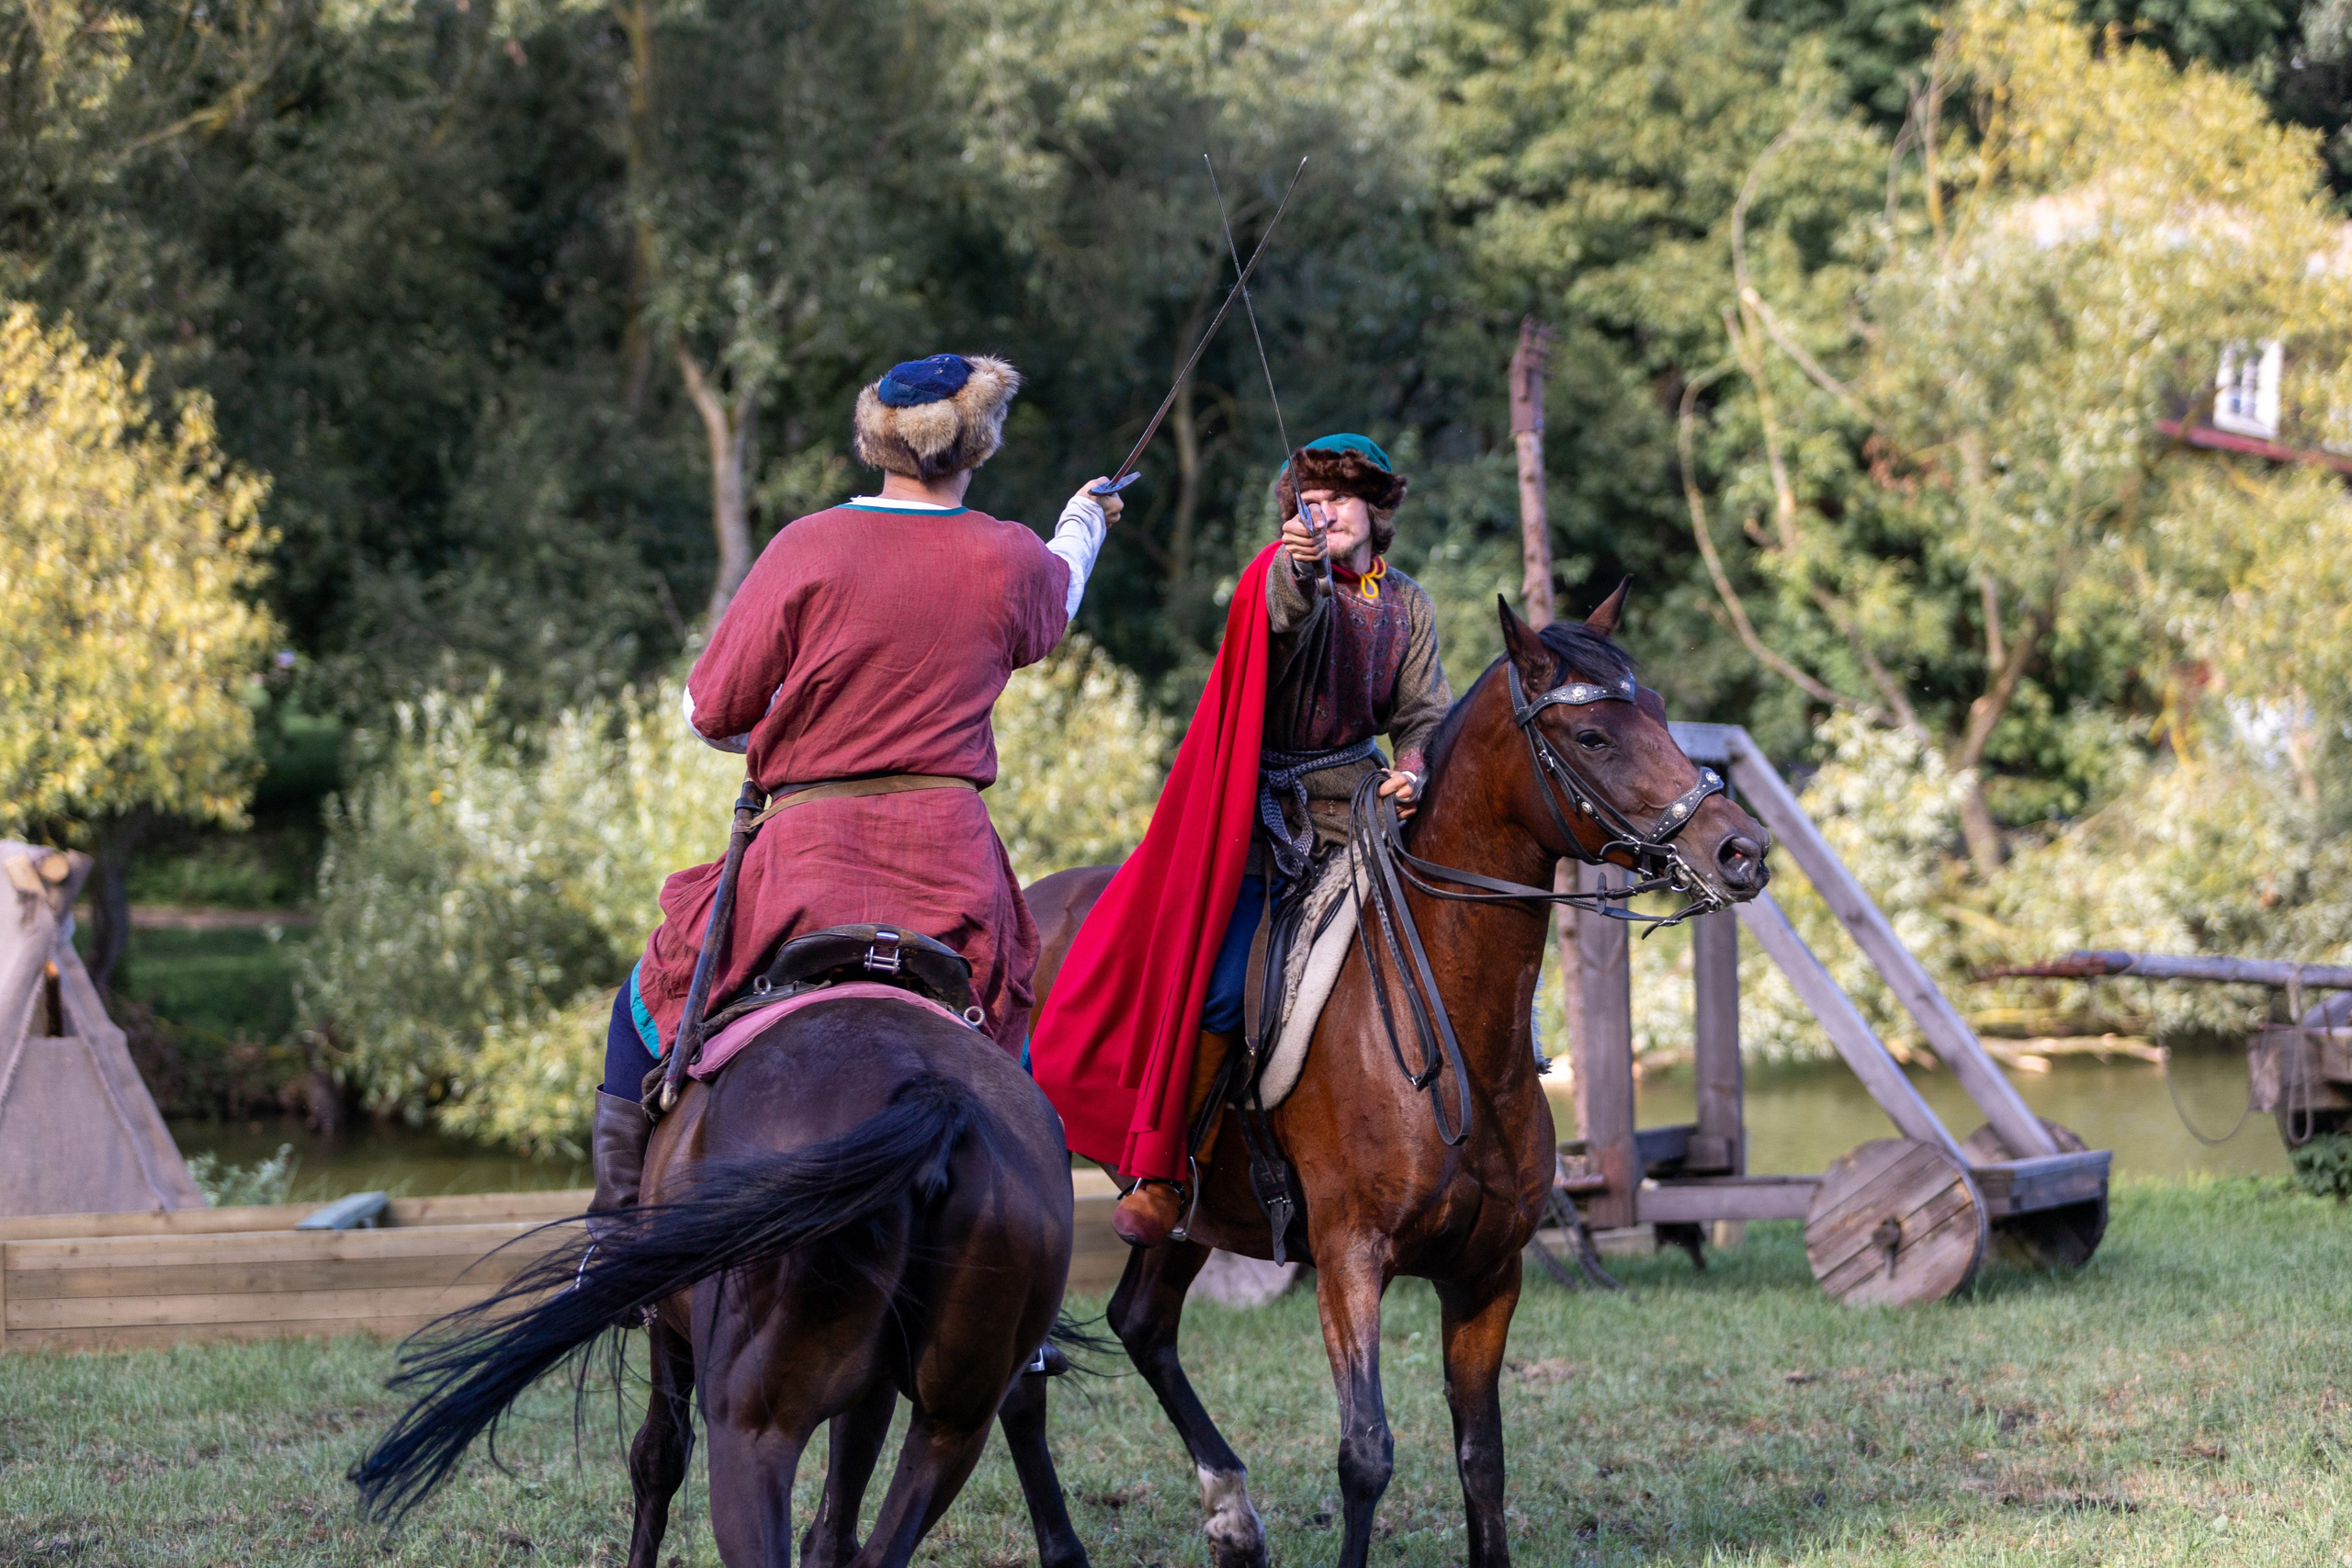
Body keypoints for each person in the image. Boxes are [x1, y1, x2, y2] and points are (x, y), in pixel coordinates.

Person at [590, 353, 1122, 1228]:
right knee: (1002, 1034)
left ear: (877, 440)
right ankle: (1026, 1306)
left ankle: (613, 1241)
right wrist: (1085, 516)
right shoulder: (1009, 556)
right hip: (949, 869)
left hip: (802, 866)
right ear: (977, 445)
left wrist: (770, 738)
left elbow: (707, 709)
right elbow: (1057, 597)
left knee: (647, 1003)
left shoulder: (808, 544)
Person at [1029, 434, 1452, 1247]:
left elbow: (1423, 711)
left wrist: (1415, 767)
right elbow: (1283, 612)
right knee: (1226, 990)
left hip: (1366, 821)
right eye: (1308, 497)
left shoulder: (1411, 605)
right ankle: (1167, 1172)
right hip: (1266, 825)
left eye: (1339, 495)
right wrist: (1296, 563)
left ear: (1377, 508)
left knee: (1459, 935)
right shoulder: (1278, 575)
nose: (1321, 509)